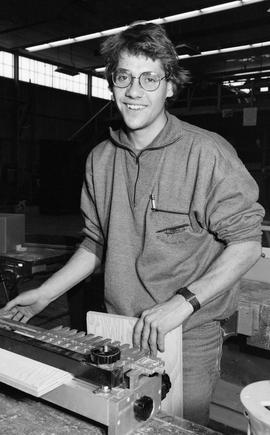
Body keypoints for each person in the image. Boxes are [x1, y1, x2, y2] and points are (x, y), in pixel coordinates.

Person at [0, 23, 264, 426]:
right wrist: (44, 293)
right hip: (117, 330)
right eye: (124, 77)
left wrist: (183, 302)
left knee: (177, 426)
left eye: (149, 78)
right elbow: (95, 244)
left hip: (187, 334)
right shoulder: (101, 159)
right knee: (122, 423)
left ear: (170, 86)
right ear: (112, 83)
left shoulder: (206, 154)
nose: (135, 91)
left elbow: (246, 243)